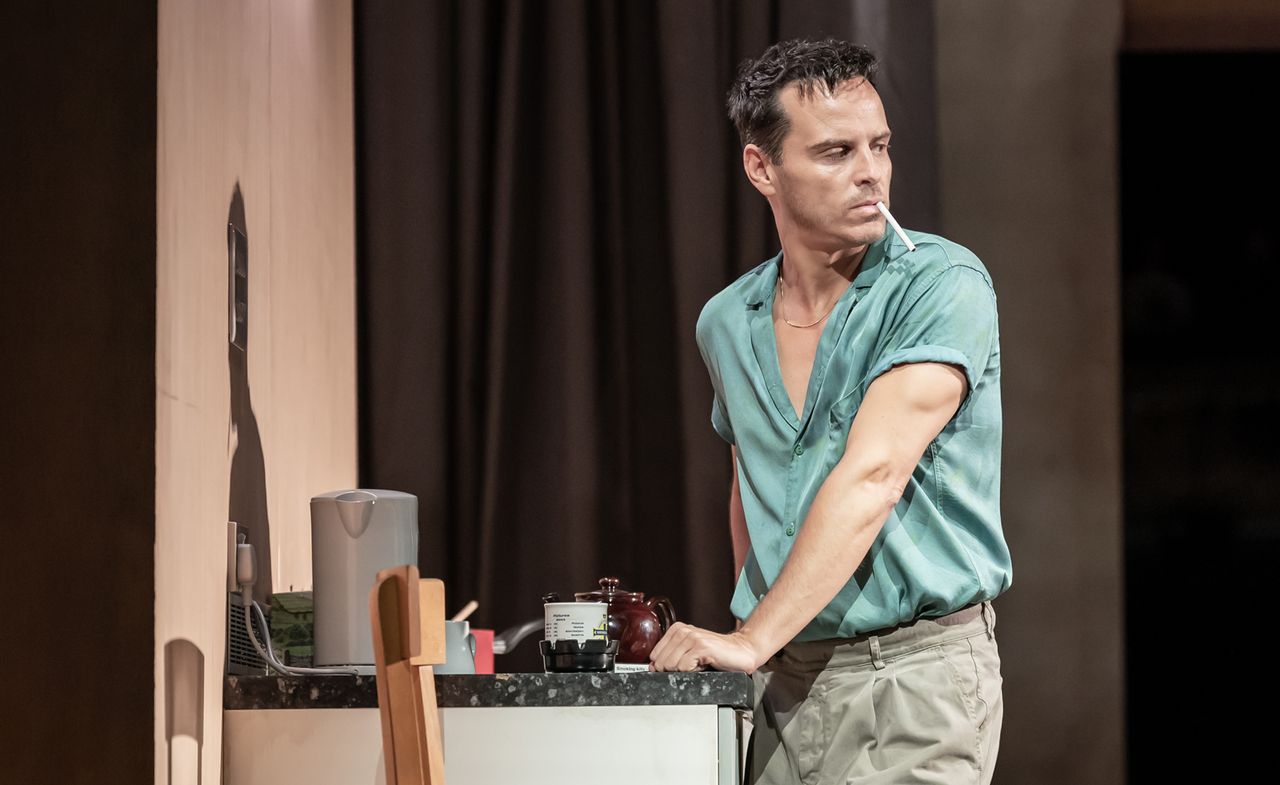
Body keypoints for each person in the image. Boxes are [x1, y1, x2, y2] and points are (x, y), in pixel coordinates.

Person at [647, 39, 1013, 785]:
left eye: (878, 145)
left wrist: (751, 636)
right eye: (836, 151)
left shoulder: (939, 285)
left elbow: (874, 473)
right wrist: (766, 648)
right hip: (786, 683)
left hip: (912, 675)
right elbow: (750, 486)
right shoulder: (727, 320)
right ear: (762, 168)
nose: (870, 171)